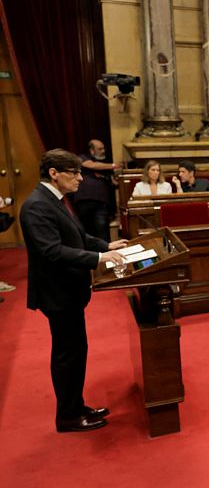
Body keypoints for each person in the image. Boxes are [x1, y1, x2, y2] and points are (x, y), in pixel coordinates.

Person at [20, 149, 128, 432]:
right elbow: (52, 251)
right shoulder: (36, 205)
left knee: (76, 350)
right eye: (74, 173)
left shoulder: (55, 199)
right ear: (54, 173)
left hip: (69, 290)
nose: (81, 178)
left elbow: (76, 236)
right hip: (58, 293)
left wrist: (105, 245)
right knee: (68, 354)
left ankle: (76, 405)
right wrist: (98, 259)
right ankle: (68, 416)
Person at [75, 140, 119, 241]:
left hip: (101, 201)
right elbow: (92, 165)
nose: (103, 151)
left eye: (103, 148)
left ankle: (105, 253)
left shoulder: (106, 164)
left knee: (102, 229)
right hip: (84, 199)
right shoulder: (83, 157)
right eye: (100, 149)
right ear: (92, 150)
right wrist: (113, 165)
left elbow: (114, 182)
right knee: (85, 229)